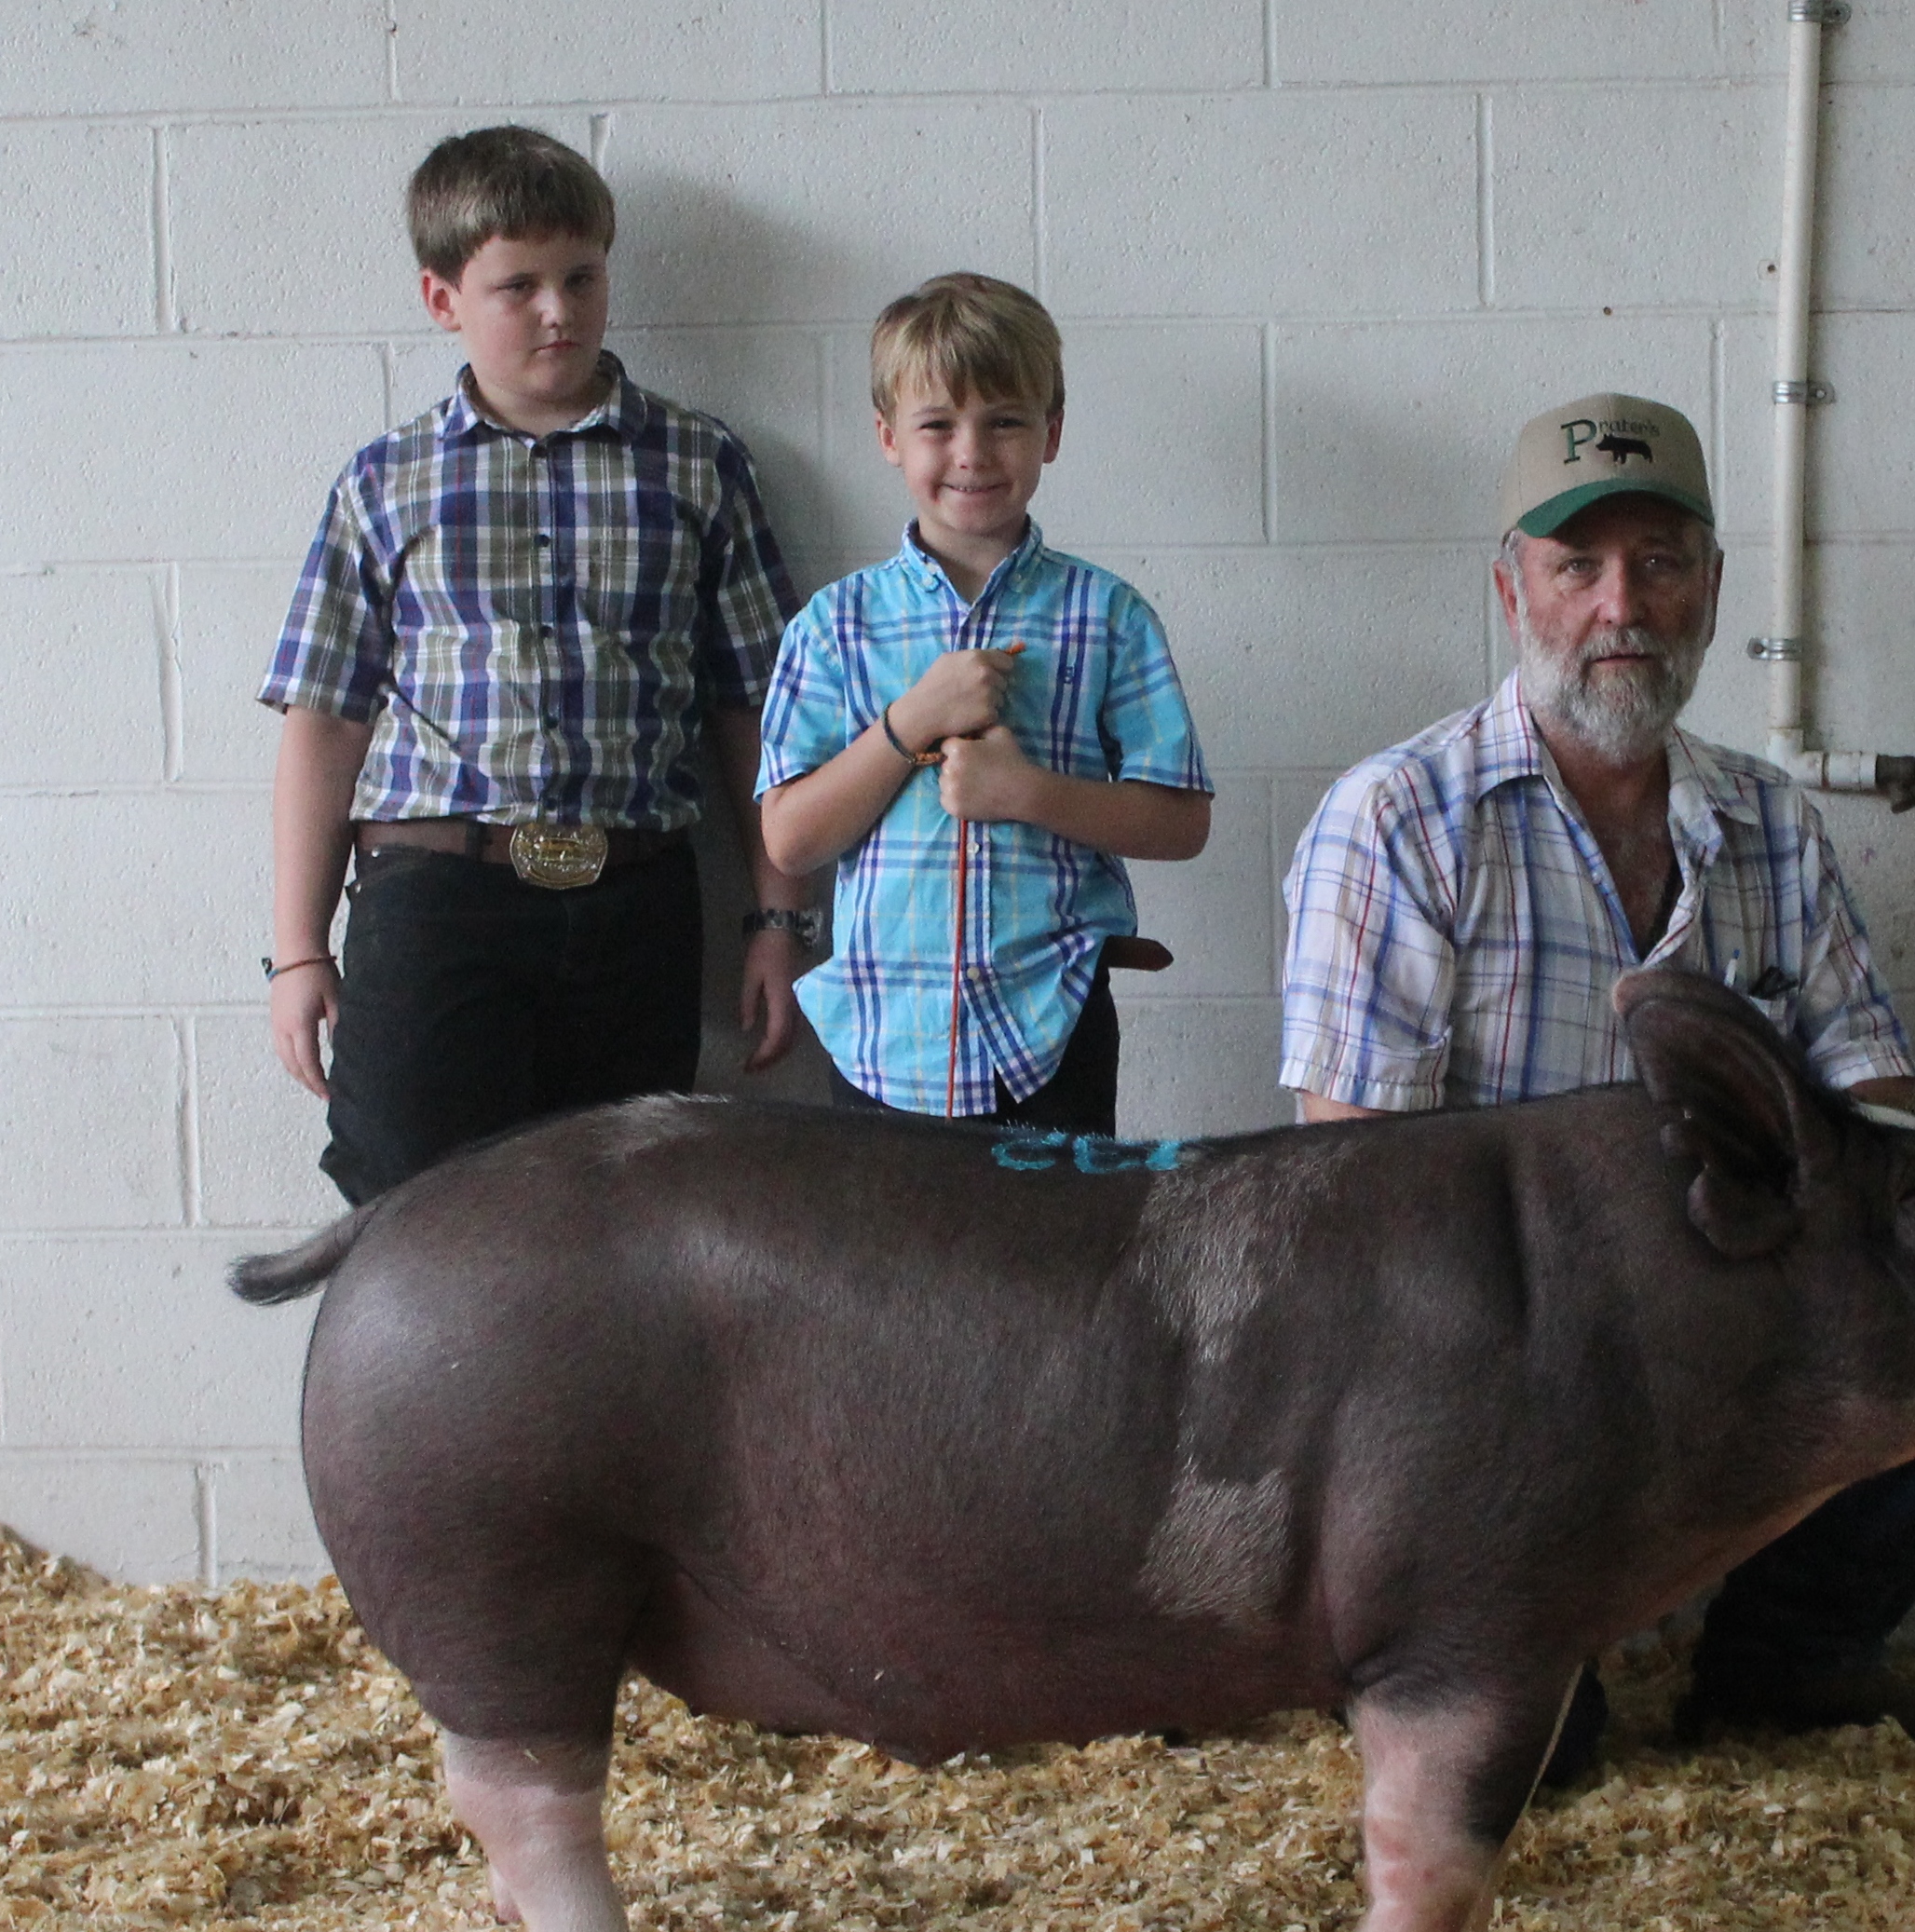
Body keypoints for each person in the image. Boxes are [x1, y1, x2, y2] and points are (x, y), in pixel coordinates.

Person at [1280, 391, 1915, 1782]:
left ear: (1712, 590)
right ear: (1515, 590)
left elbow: (1885, 1107)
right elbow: (1356, 1190)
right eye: (1578, 567)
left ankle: (1789, 1662)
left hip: (1721, 1304)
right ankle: (1463, 1646)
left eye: (1661, 564)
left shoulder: (1766, 824)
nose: (1621, 605)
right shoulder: (1399, 818)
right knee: (1545, 1764)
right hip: (1497, 1347)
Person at [259, 126, 807, 1206]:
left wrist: (777, 921)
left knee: (616, 1221)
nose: (558, 309)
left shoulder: (700, 463)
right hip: (439, 903)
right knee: (406, 1206)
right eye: (518, 286)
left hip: (636, 904)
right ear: (442, 297)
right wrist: (297, 952)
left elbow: (759, 713)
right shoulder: (385, 484)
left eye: (581, 277)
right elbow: (324, 724)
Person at [757, 273, 1211, 1136]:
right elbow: (792, 838)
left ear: (1052, 434)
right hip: (882, 1041)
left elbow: (1181, 824)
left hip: (1053, 1031)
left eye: (1005, 420)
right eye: (938, 425)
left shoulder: (1109, 617)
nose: (971, 452)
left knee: (1057, 1266)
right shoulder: (833, 626)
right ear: (889, 438)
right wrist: (909, 723)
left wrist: (1025, 794)